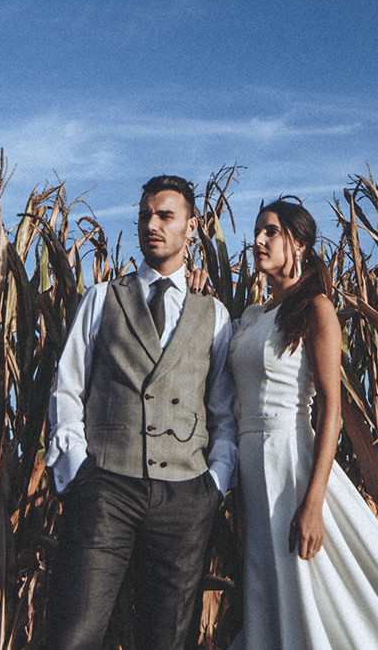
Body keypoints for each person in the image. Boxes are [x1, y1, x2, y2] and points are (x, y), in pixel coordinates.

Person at [227, 196, 378, 650]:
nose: (258, 240)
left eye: (270, 231)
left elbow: (332, 410)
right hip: (250, 465)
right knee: (268, 582)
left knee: (311, 582)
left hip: (291, 462)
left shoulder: (316, 308)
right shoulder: (250, 317)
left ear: (298, 243)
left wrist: (314, 500)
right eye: (257, 231)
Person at [42, 174, 238, 650]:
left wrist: (213, 485)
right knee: (74, 635)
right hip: (106, 484)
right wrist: (79, 471)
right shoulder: (102, 299)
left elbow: (223, 412)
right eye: (145, 215)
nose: (152, 224)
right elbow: (66, 387)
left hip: (185, 497)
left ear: (191, 228)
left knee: (167, 641)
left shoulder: (214, 315)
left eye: (166, 216)